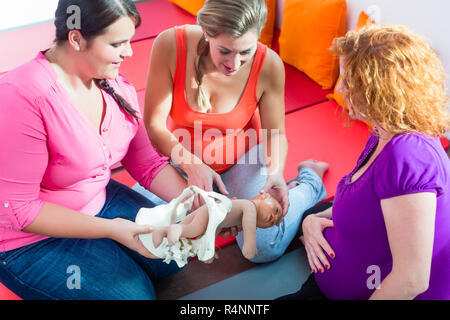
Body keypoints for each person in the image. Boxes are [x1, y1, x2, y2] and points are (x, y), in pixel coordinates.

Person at [0, 0, 189, 300]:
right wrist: (112, 229)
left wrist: (199, 203)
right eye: (117, 44)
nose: (129, 52)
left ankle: (106, 249)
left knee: (176, 254)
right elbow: (20, 211)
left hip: (94, 199)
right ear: (76, 39)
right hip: (28, 239)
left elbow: (148, 164)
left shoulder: (113, 84)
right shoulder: (22, 97)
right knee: (136, 297)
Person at [136, 0, 329, 263]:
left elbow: (275, 133)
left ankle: (309, 182)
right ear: (206, 31)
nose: (234, 63)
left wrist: (275, 173)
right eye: (224, 51)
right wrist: (192, 165)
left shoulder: (269, 64)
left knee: (264, 248)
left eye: (245, 52)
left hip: (243, 162)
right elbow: (154, 126)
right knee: (142, 230)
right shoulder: (170, 44)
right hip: (183, 162)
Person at [278, 25, 450, 300]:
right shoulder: (382, 133)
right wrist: (312, 221)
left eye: (348, 80)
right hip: (331, 281)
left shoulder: (408, 154)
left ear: (379, 90)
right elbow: (366, 208)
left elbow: (411, 280)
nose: (341, 88)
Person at [152, 192, 284, 261]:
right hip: (210, 213)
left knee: (188, 228)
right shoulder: (249, 207)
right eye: (276, 210)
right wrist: (250, 245)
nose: (274, 217)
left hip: (212, 216)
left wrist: (208, 249)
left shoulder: (240, 215)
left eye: (272, 223)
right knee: (191, 230)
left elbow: (218, 227)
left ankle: (162, 232)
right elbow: (249, 227)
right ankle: (170, 229)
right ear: (264, 195)